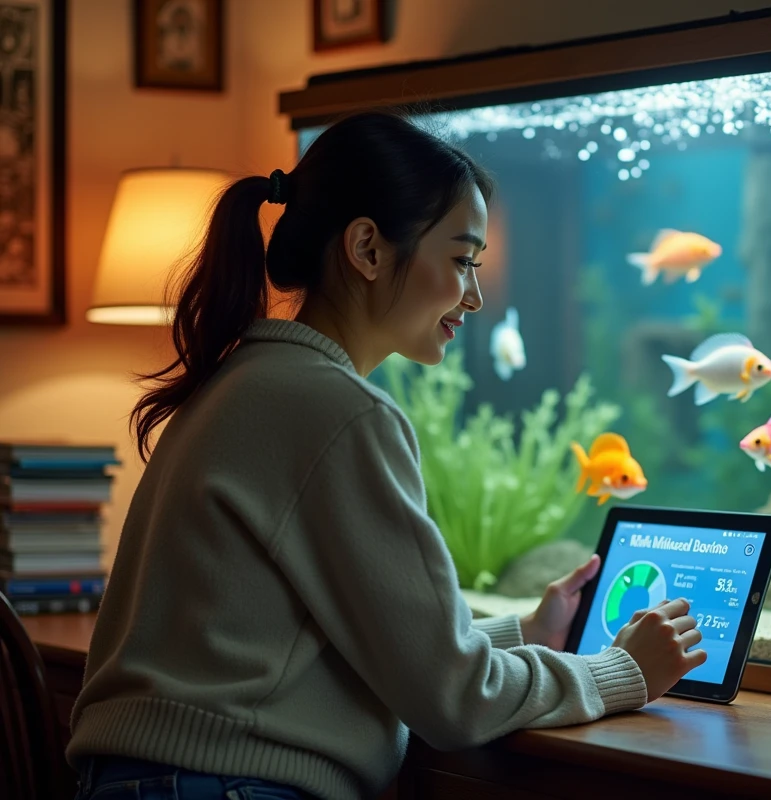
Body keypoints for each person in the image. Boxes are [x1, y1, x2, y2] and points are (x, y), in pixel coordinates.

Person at [67, 111, 706, 800]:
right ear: (368, 249)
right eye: (461, 260)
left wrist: (524, 630)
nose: (476, 294)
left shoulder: (246, 381)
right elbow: (454, 701)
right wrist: (622, 672)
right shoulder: (338, 411)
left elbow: (357, 648)